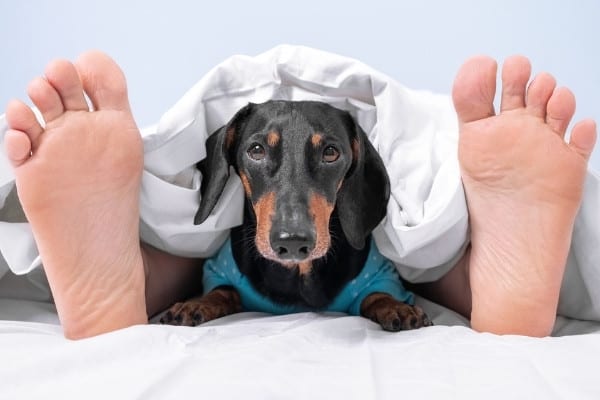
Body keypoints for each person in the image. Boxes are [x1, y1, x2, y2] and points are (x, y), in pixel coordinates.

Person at [2, 52, 596, 339]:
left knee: (419, 267)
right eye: (258, 154)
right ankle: (116, 278)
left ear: (353, 169)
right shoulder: (231, 242)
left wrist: (382, 305)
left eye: (326, 157)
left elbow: (385, 284)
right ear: (232, 159)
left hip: (357, 265)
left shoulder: (365, 242)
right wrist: (216, 301)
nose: (292, 216)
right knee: (192, 265)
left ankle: (489, 279)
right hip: (238, 268)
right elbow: (219, 275)